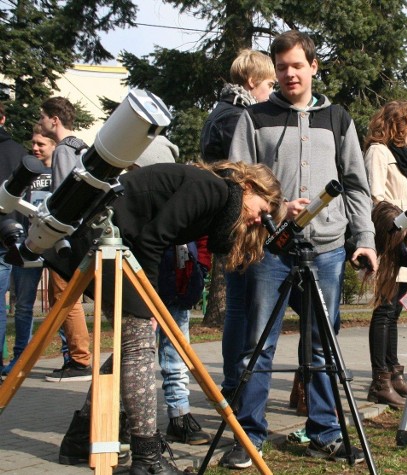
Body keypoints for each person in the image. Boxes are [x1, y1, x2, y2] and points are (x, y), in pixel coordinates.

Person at [59, 160, 284, 474]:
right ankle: (147, 458)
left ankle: (80, 439)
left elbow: (161, 238)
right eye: (263, 208)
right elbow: (154, 238)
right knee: (139, 348)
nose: (261, 218)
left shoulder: (217, 199)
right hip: (104, 241)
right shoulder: (212, 189)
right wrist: (149, 300)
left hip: (116, 244)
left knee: (130, 348)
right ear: (248, 186)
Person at [222, 30, 377, 469]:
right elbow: (239, 183)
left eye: (297, 65)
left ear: (313, 67)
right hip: (270, 250)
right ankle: (249, 437)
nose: (290, 73)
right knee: (256, 344)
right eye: (282, 66)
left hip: (326, 251)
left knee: (322, 345)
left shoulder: (339, 118)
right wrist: (277, 207)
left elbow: (355, 185)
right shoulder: (253, 118)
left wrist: (363, 239)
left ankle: (326, 431)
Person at [199, 49, 276, 398]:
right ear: (251, 82)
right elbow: (241, 176)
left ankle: (234, 382)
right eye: (269, 85)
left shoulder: (221, 111)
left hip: (229, 222)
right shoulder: (235, 118)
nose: (272, 93)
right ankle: (235, 384)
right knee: (241, 307)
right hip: (238, 224)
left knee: (237, 306)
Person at [132, 136, 213, 446]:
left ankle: (179, 416)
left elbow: (202, 240)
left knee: (176, 357)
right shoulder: (139, 205)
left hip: (178, 294)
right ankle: (129, 419)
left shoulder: (188, 200)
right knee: (132, 358)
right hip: (142, 297)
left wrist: (200, 270)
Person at [363, 100, 407, 409]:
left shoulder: (402, 157)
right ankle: (381, 382)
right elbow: (375, 198)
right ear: (394, 124)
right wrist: (395, 229)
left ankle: (393, 371)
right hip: (389, 240)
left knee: (397, 309)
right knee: (385, 310)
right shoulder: (378, 152)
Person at [37, 96, 92, 382]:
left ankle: (79, 359)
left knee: (66, 298)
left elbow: (61, 198)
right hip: (84, 233)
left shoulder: (62, 152)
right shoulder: (81, 146)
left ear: (54, 120)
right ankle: (78, 357)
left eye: (43, 116)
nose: (41, 122)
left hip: (67, 238)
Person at [1, 125, 53, 376]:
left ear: (53, 145)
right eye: (33, 143)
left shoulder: (60, 171)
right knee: (22, 305)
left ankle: (72, 358)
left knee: (63, 304)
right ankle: (20, 358)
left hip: (52, 245)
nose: (35, 148)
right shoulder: (26, 168)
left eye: (41, 144)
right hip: (25, 242)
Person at [0, 101, 26, 381]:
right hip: (19, 236)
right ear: (4, 119)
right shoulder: (20, 153)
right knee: (23, 306)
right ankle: (19, 358)